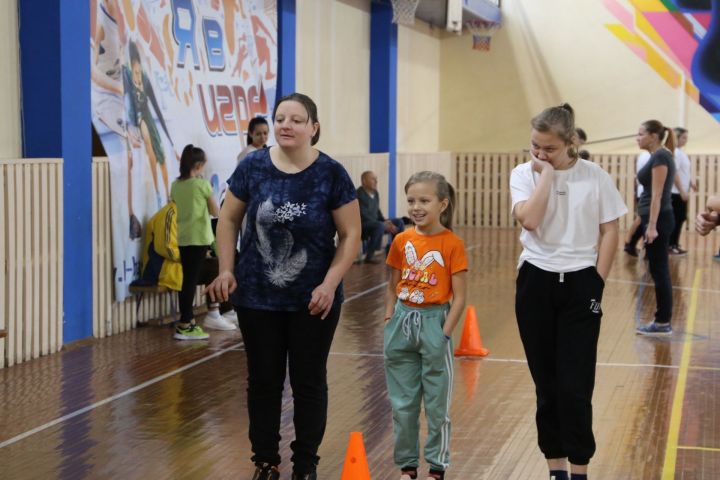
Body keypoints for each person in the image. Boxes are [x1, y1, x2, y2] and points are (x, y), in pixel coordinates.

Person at [205, 93, 361, 480]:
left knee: (308, 381)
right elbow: (227, 221)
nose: (285, 125)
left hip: (313, 299)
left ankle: (305, 464)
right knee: (263, 380)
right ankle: (265, 461)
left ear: (314, 127)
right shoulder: (253, 167)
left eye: (296, 119)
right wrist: (226, 269)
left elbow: (351, 233)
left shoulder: (331, 174)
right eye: (280, 119)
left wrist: (329, 284)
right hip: (257, 296)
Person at [510, 104, 627, 480]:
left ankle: (579, 469)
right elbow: (530, 218)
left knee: (576, 386)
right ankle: (555, 469)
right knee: (547, 385)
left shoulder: (595, 177)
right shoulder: (523, 174)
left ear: (570, 142)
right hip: (535, 281)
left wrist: (598, 281)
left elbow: (610, 230)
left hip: (580, 283)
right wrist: (546, 174)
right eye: (535, 147)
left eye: (549, 148)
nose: (540, 154)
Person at [383, 171, 467, 480]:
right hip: (402, 325)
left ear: (442, 204)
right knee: (402, 405)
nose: (416, 207)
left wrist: (444, 333)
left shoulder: (452, 244)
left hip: (434, 324)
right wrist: (390, 317)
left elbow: (460, 297)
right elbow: (392, 285)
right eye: (411, 201)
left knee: (436, 407)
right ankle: (407, 467)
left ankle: (436, 467)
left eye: (424, 200)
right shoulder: (401, 240)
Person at [171, 145, 220, 340]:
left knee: (188, 279)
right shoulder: (202, 185)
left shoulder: (176, 185)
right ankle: (185, 323)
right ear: (198, 166)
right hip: (199, 238)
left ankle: (189, 321)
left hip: (182, 238)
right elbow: (216, 211)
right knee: (190, 281)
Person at [635, 120, 677, 336]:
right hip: (656, 218)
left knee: (659, 271)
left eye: (641, 134)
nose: (637, 137)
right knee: (657, 269)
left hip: (658, 220)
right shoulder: (660, 155)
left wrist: (651, 226)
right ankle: (662, 321)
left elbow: (658, 194)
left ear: (653, 136)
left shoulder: (661, 156)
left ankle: (662, 322)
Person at [124, 40, 175, 210]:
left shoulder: (145, 80)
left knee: (160, 153)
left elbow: (157, 109)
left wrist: (171, 142)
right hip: (136, 118)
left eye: (139, 72)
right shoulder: (126, 78)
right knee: (147, 139)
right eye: (135, 73)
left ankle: (167, 194)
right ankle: (158, 193)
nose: (137, 77)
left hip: (146, 115)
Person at [357, 170, 405, 263]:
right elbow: (363, 214)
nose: (376, 181)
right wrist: (384, 224)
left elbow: (377, 211)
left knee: (399, 222)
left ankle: (395, 250)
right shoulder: (358, 194)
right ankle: (369, 256)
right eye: (373, 179)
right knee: (380, 225)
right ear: (364, 180)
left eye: (376, 179)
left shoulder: (375, 193)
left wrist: (386, 221)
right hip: (363, 225)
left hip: (376, 223)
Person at [669, 127, 697, 255]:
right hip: (675, 193)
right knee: (676, 218)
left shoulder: (681, 152)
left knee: (680, 218)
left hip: (681, 191)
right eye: (683, 137)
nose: (686, 140)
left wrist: (691, 182)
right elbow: (674, 173)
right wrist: (681, 191)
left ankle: (674, 243)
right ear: (677, 137)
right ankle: (671, 245)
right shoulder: (675, 152)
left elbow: (684, 171)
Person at [624, 150, 651, 257]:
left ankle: (630, 243)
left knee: (642, 219)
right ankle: (629, 243)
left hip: (644, 191)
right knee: (642, 219)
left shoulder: (647, 155)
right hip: (645, 191)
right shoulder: (648, 156)